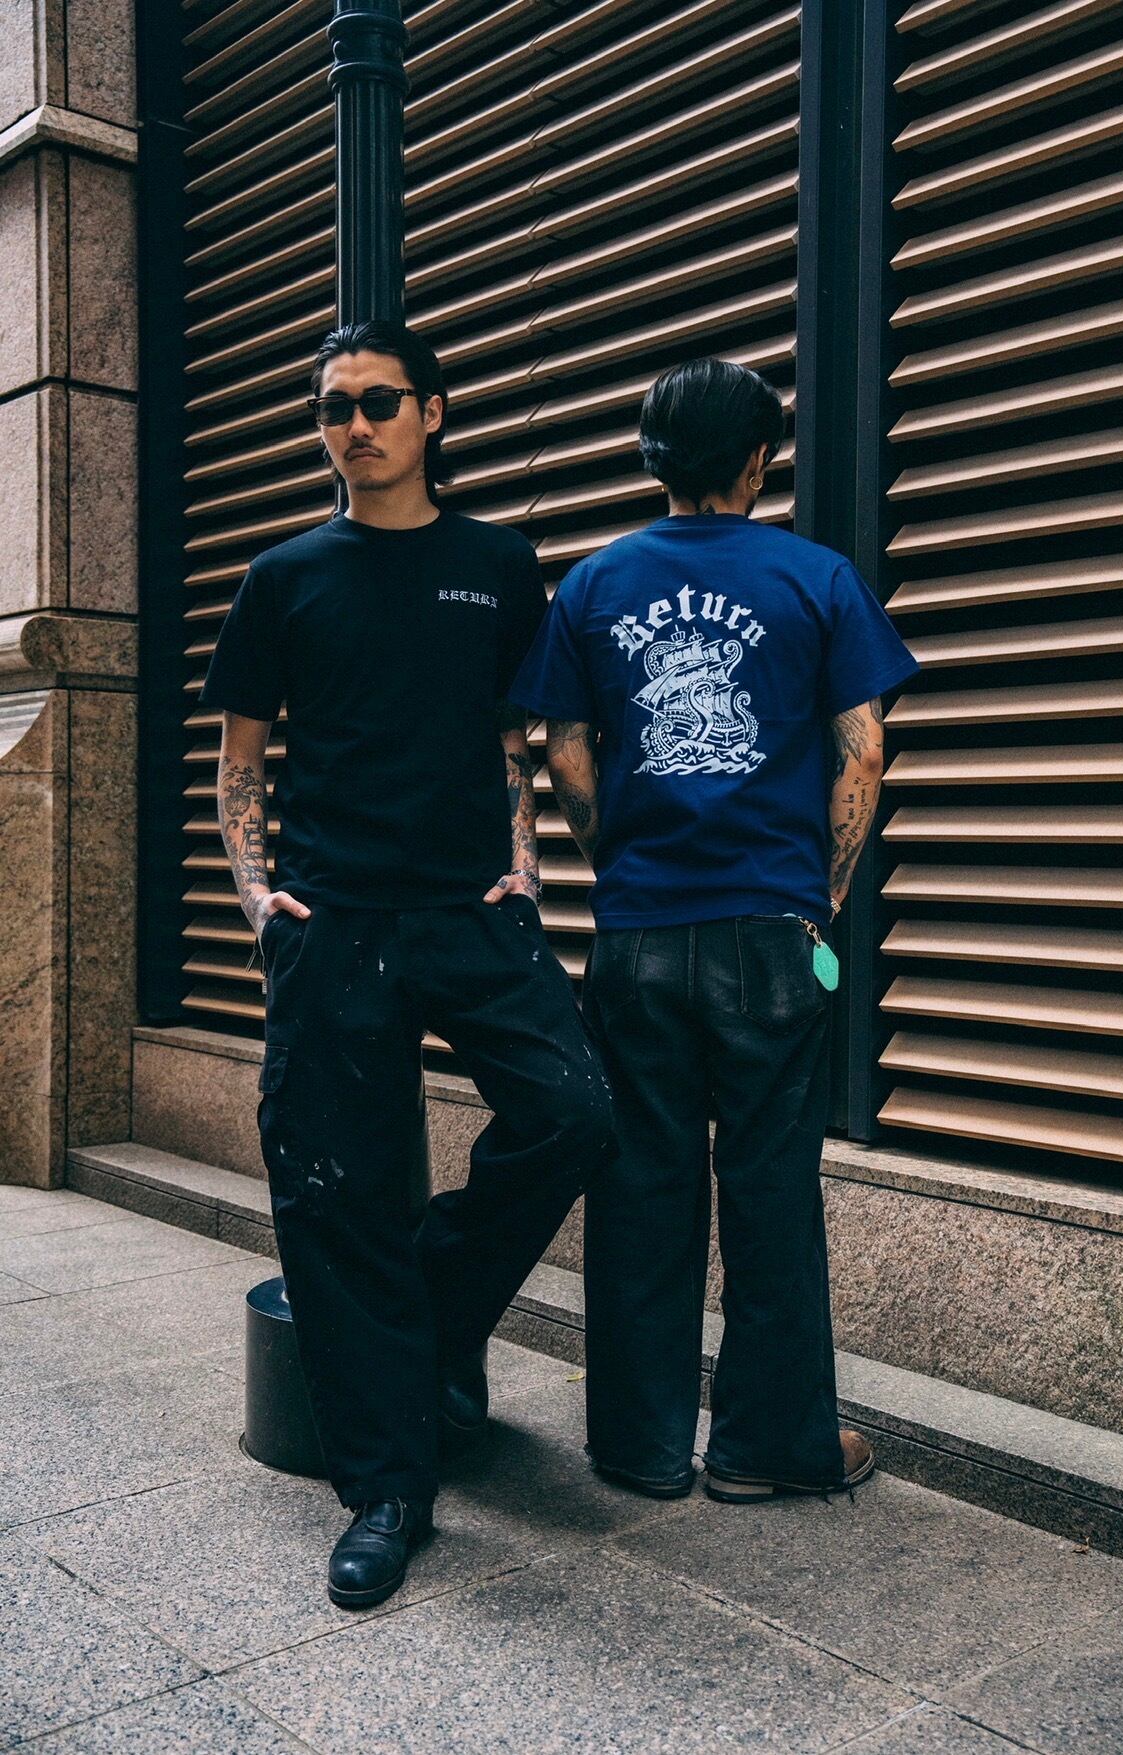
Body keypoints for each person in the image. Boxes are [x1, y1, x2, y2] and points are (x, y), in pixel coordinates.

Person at [200, 321, 614, 1607]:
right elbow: (240, 762)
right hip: (332, 922)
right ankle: (388, 1491)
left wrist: (528, 868)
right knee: (340, 1194)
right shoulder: (283, 577)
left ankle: (425, 1312)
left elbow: (512, 739)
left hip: (469, 910)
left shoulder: (497, 565)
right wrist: (259, 901)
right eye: (335, 407)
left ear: (434, 413)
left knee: (574, 1110)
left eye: (380, 402)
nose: (356, 426)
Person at [511, 357, 921, 1503]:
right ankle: (766, 1449)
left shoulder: (594, 584)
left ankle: (640, 1448)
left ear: (653, 457)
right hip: (770, 928)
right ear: (758, 459)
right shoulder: (817, 578)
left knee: (642, 1190)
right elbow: (864, 751)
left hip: (640, 931)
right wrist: (821, 893)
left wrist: (620, 860)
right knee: (771, 1188)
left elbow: (563, 750)